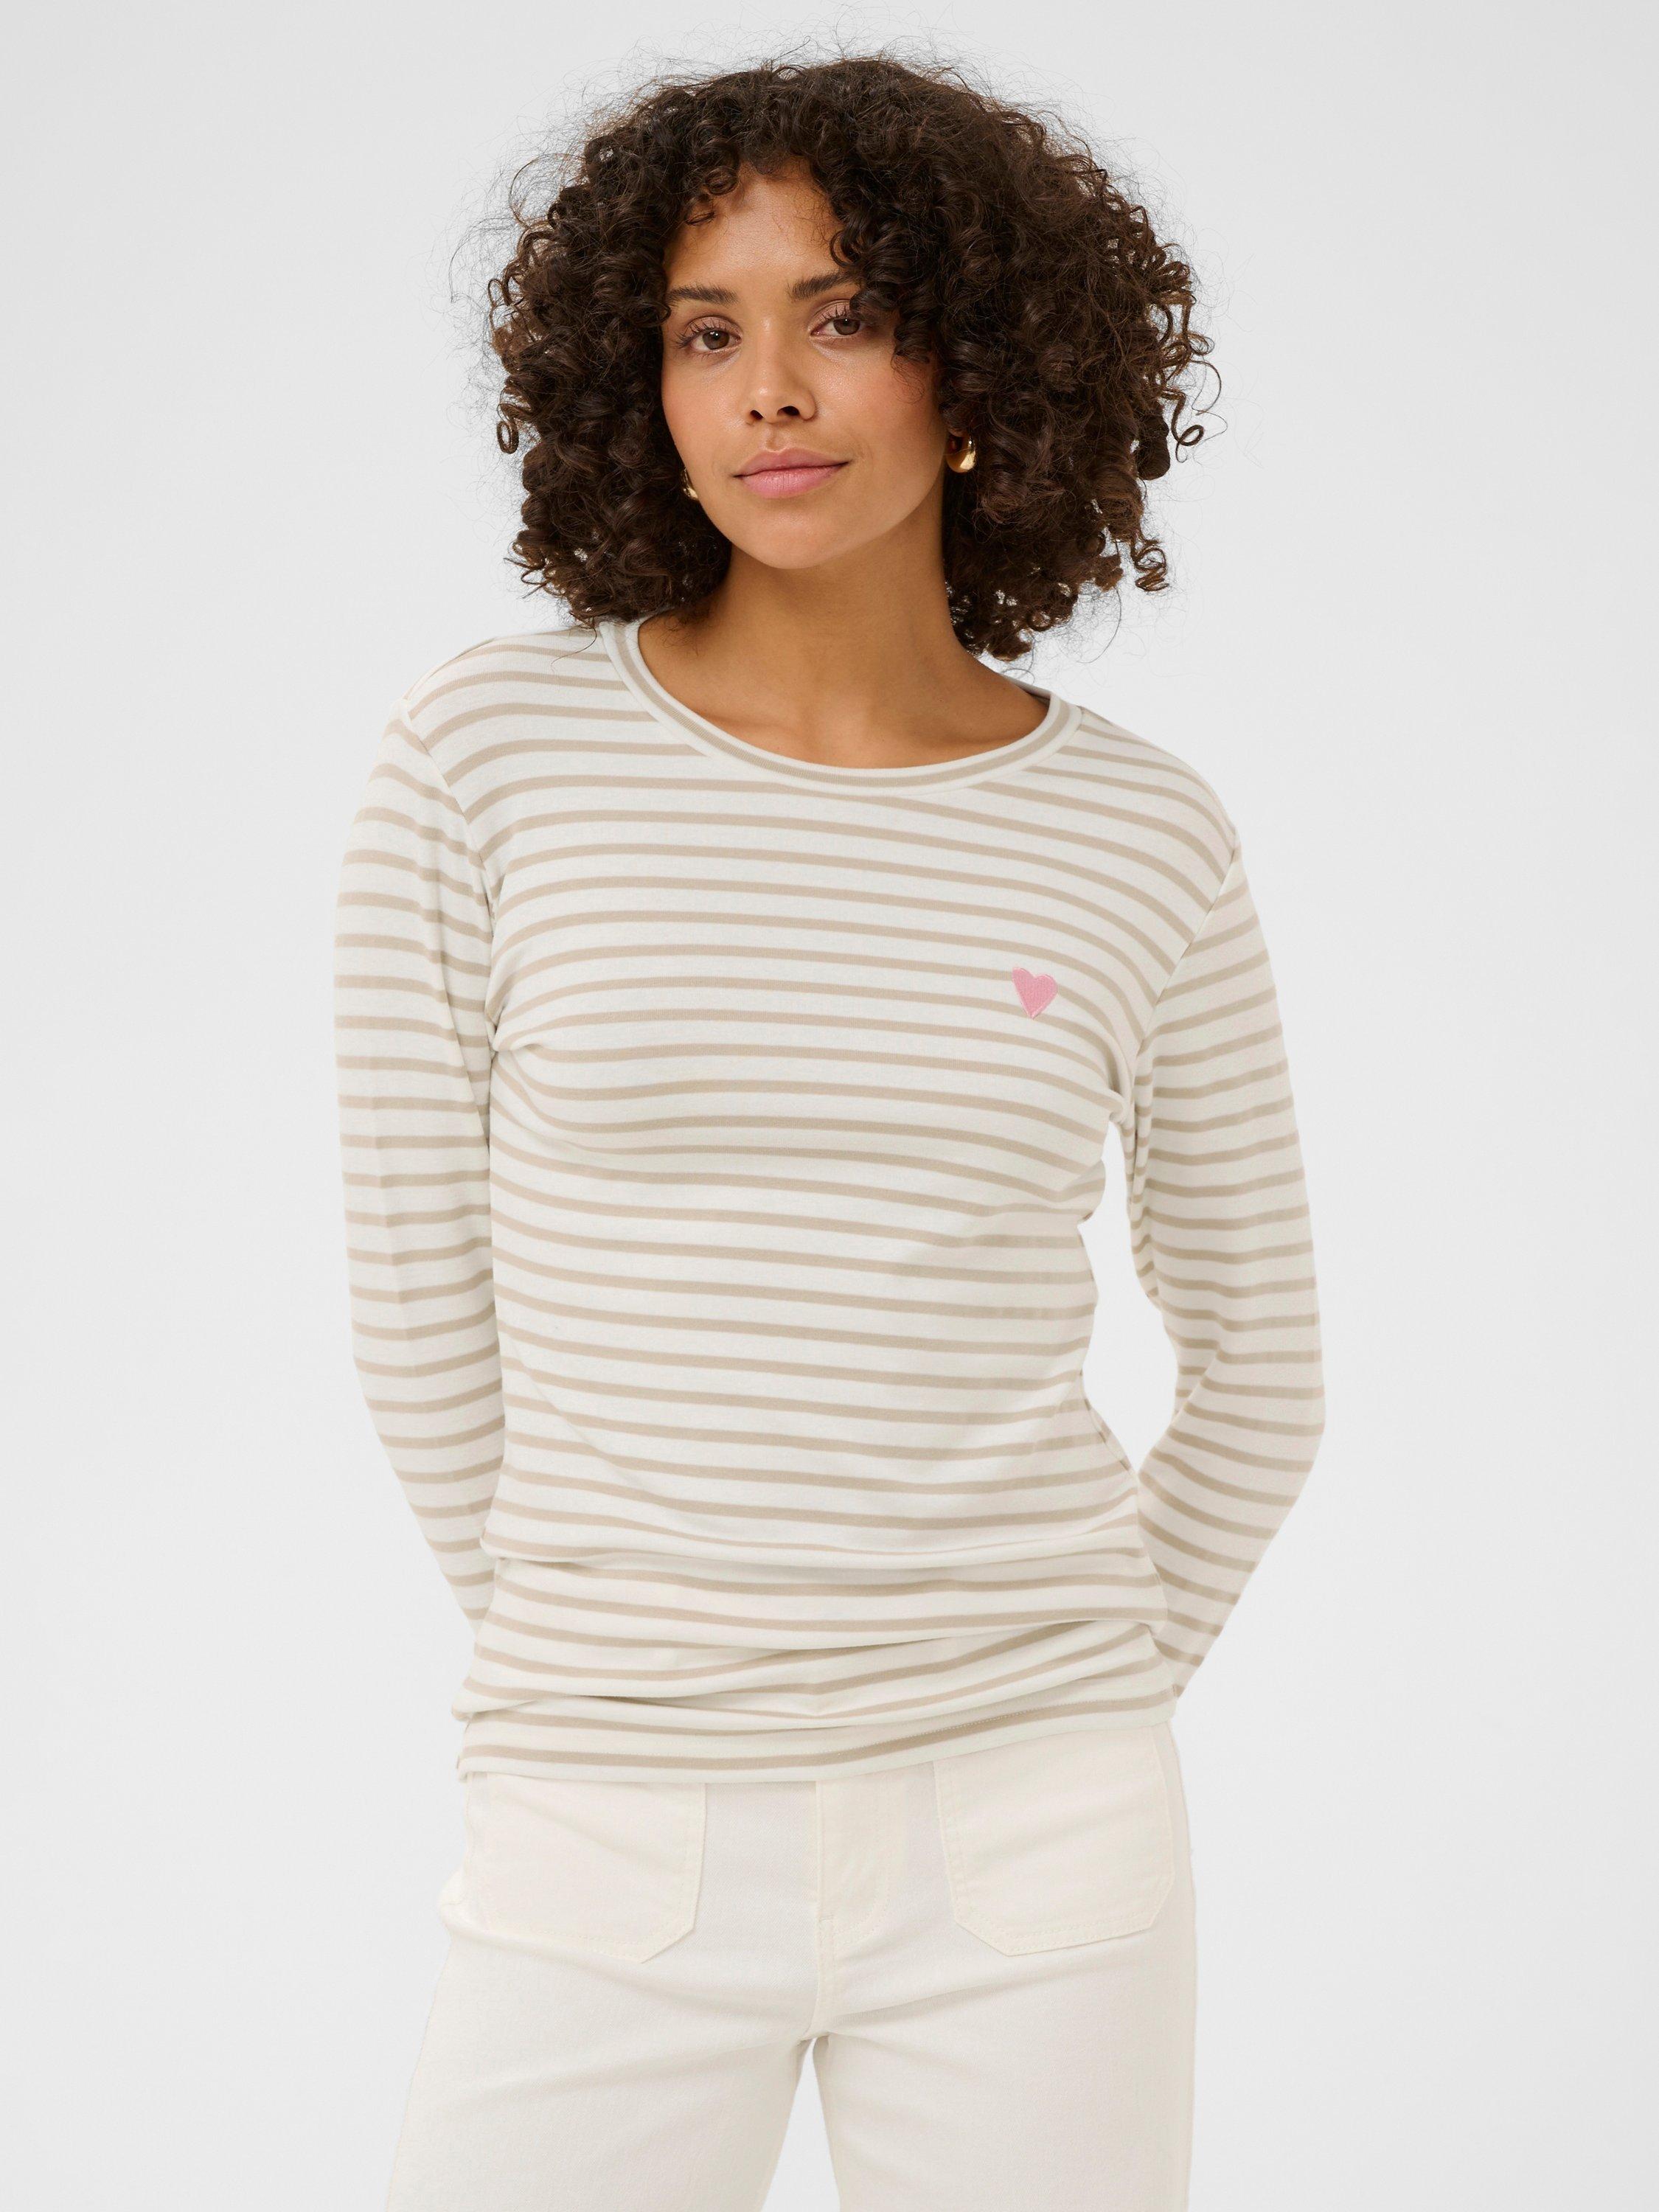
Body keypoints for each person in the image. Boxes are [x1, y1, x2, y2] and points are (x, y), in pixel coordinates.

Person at [332, 49, 1326, 2212]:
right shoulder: (485, 762)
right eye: (706, 333)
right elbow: (421, 1318)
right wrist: (637, 1659)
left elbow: (1262, 1371)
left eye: (843, 315)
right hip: (607, 1815)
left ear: (988, 369)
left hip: (1038, 1842)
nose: (768, 390)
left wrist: (1062, 1691)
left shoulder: (1141, 835)